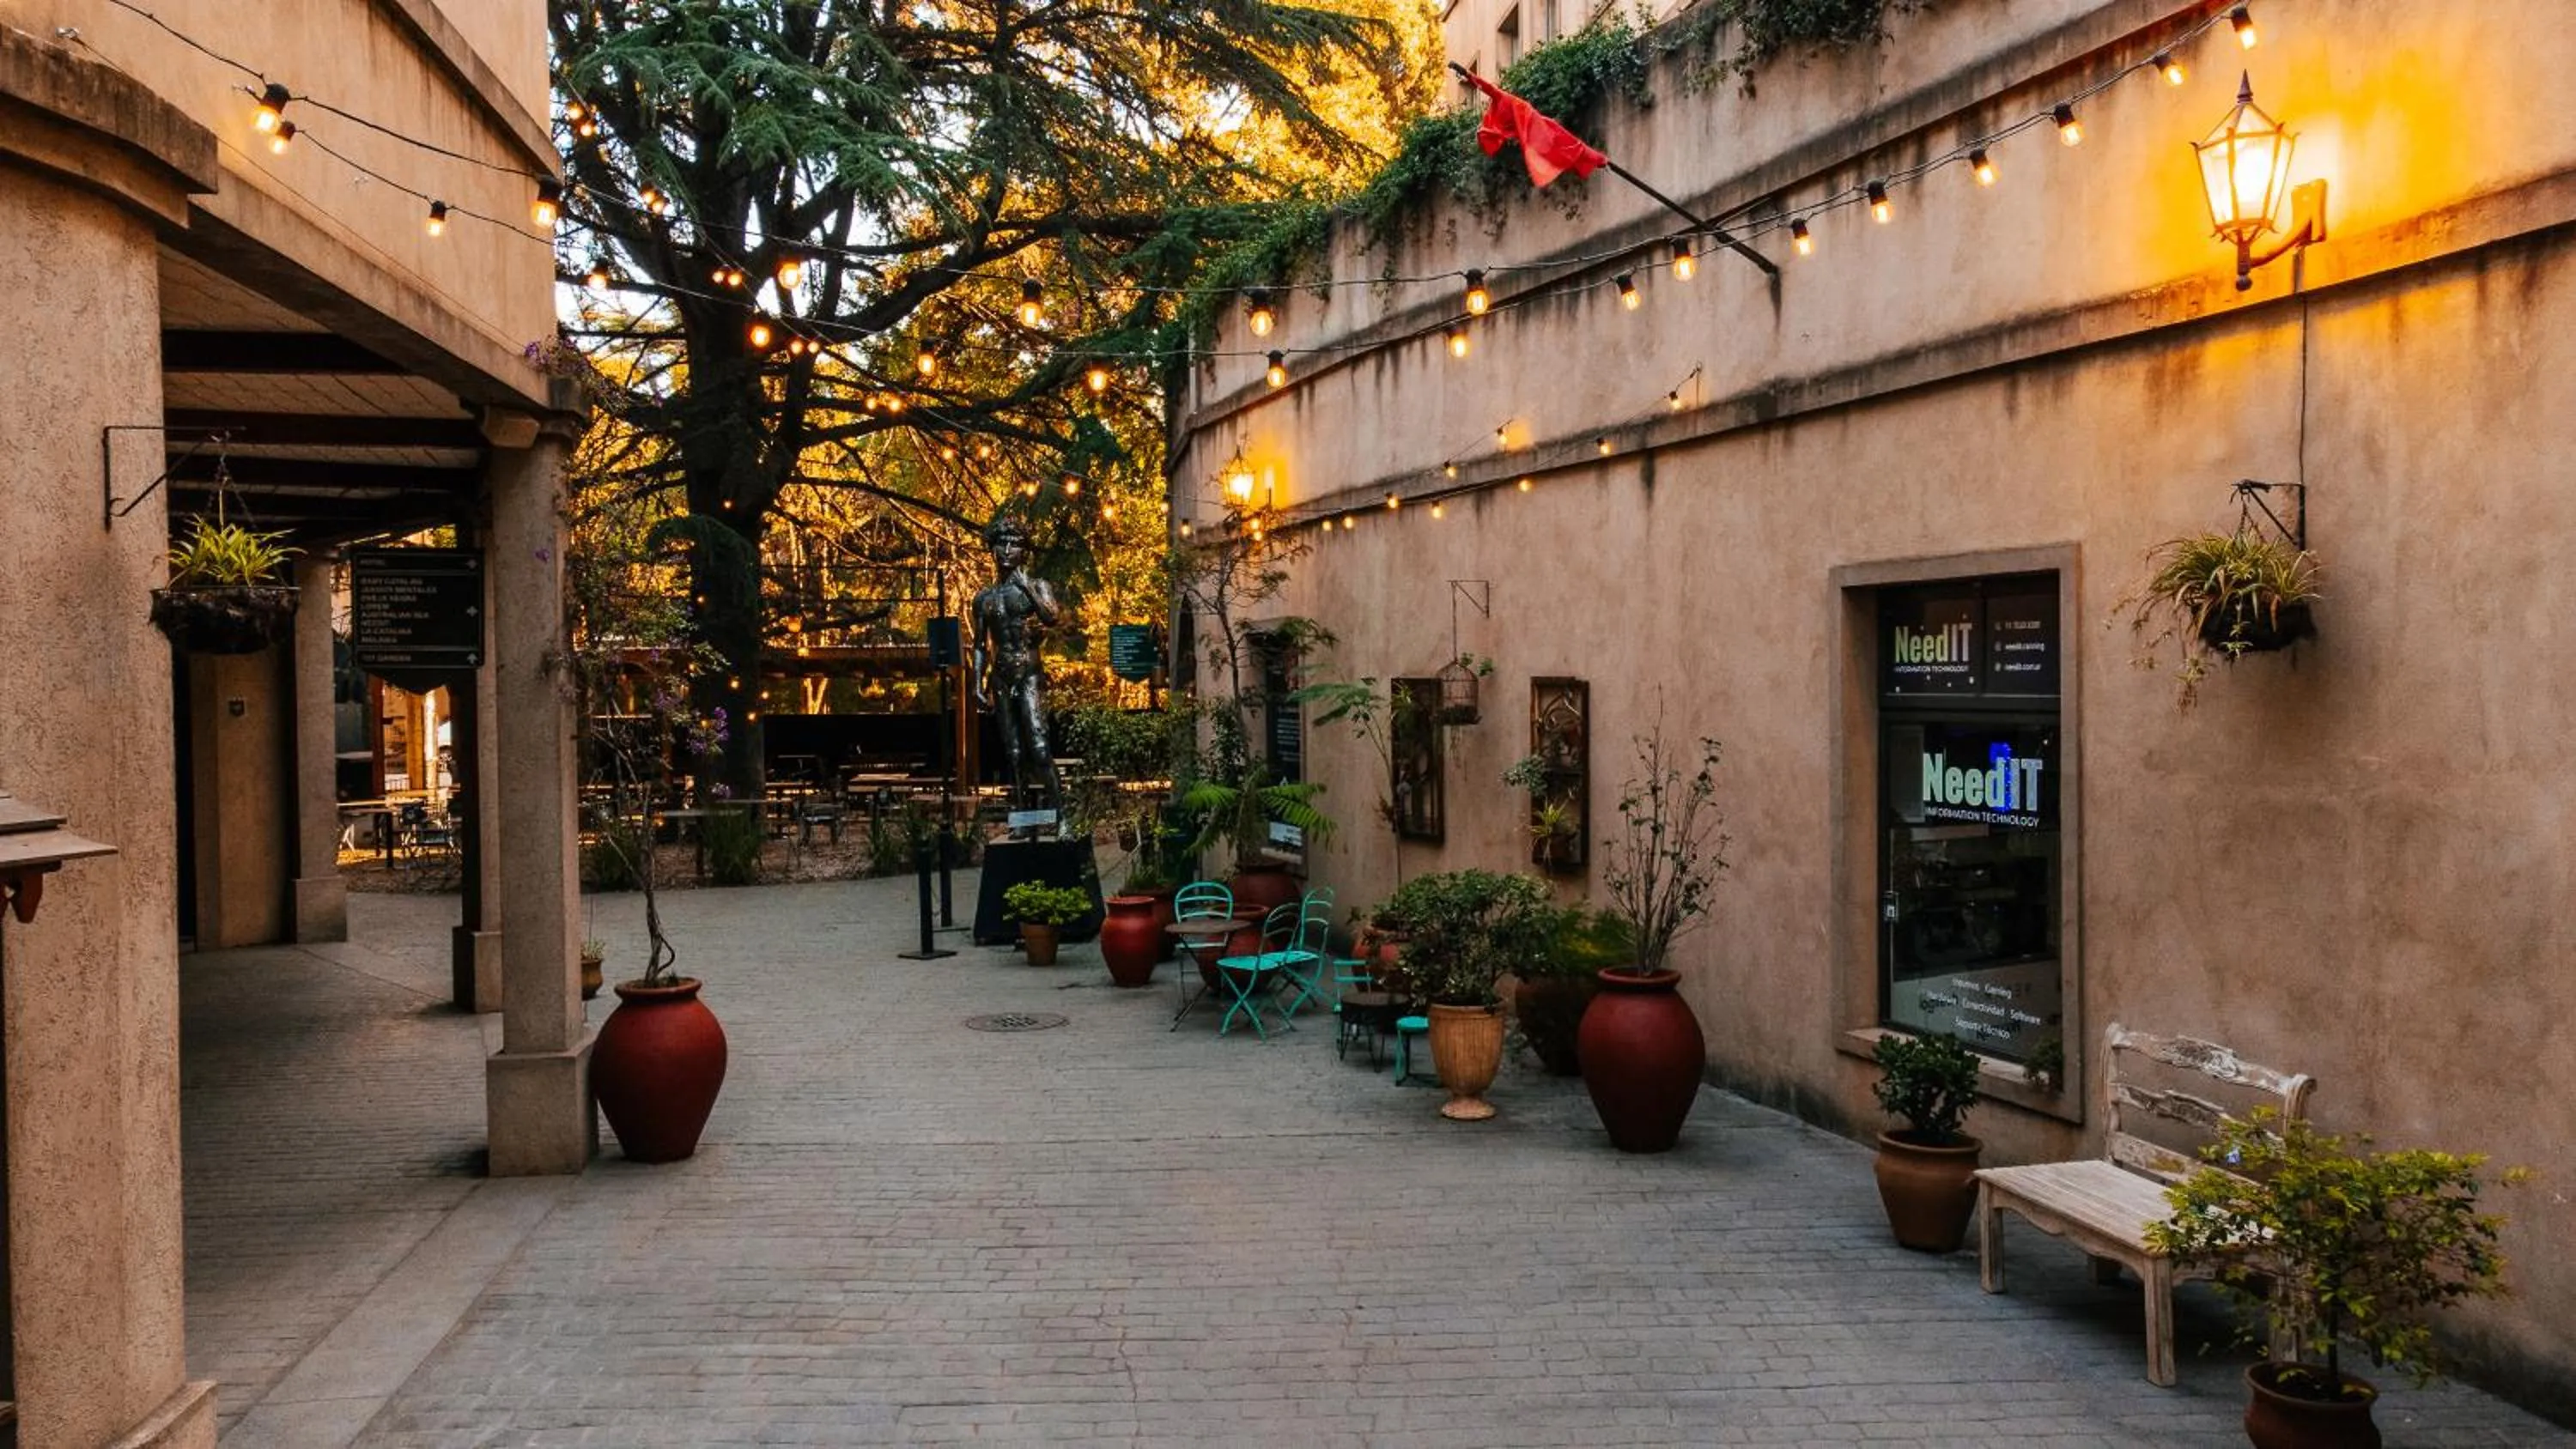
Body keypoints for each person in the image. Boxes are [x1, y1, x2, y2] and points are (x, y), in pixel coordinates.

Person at [971, 515, 1062, 809]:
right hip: (1001, 674)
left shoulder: (1038, 585)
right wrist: (976, 683)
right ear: (993, 549)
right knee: (1012, 751)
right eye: (1002, 544)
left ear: (1025, 551)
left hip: (1029, 671)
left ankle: (1060, 814)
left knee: (1038, 745)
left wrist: (1030, 591)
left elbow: (1051, 617)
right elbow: (980, 644)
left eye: (1015, 545)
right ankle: (1023, 815)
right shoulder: (984, 598)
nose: (1008, 550)